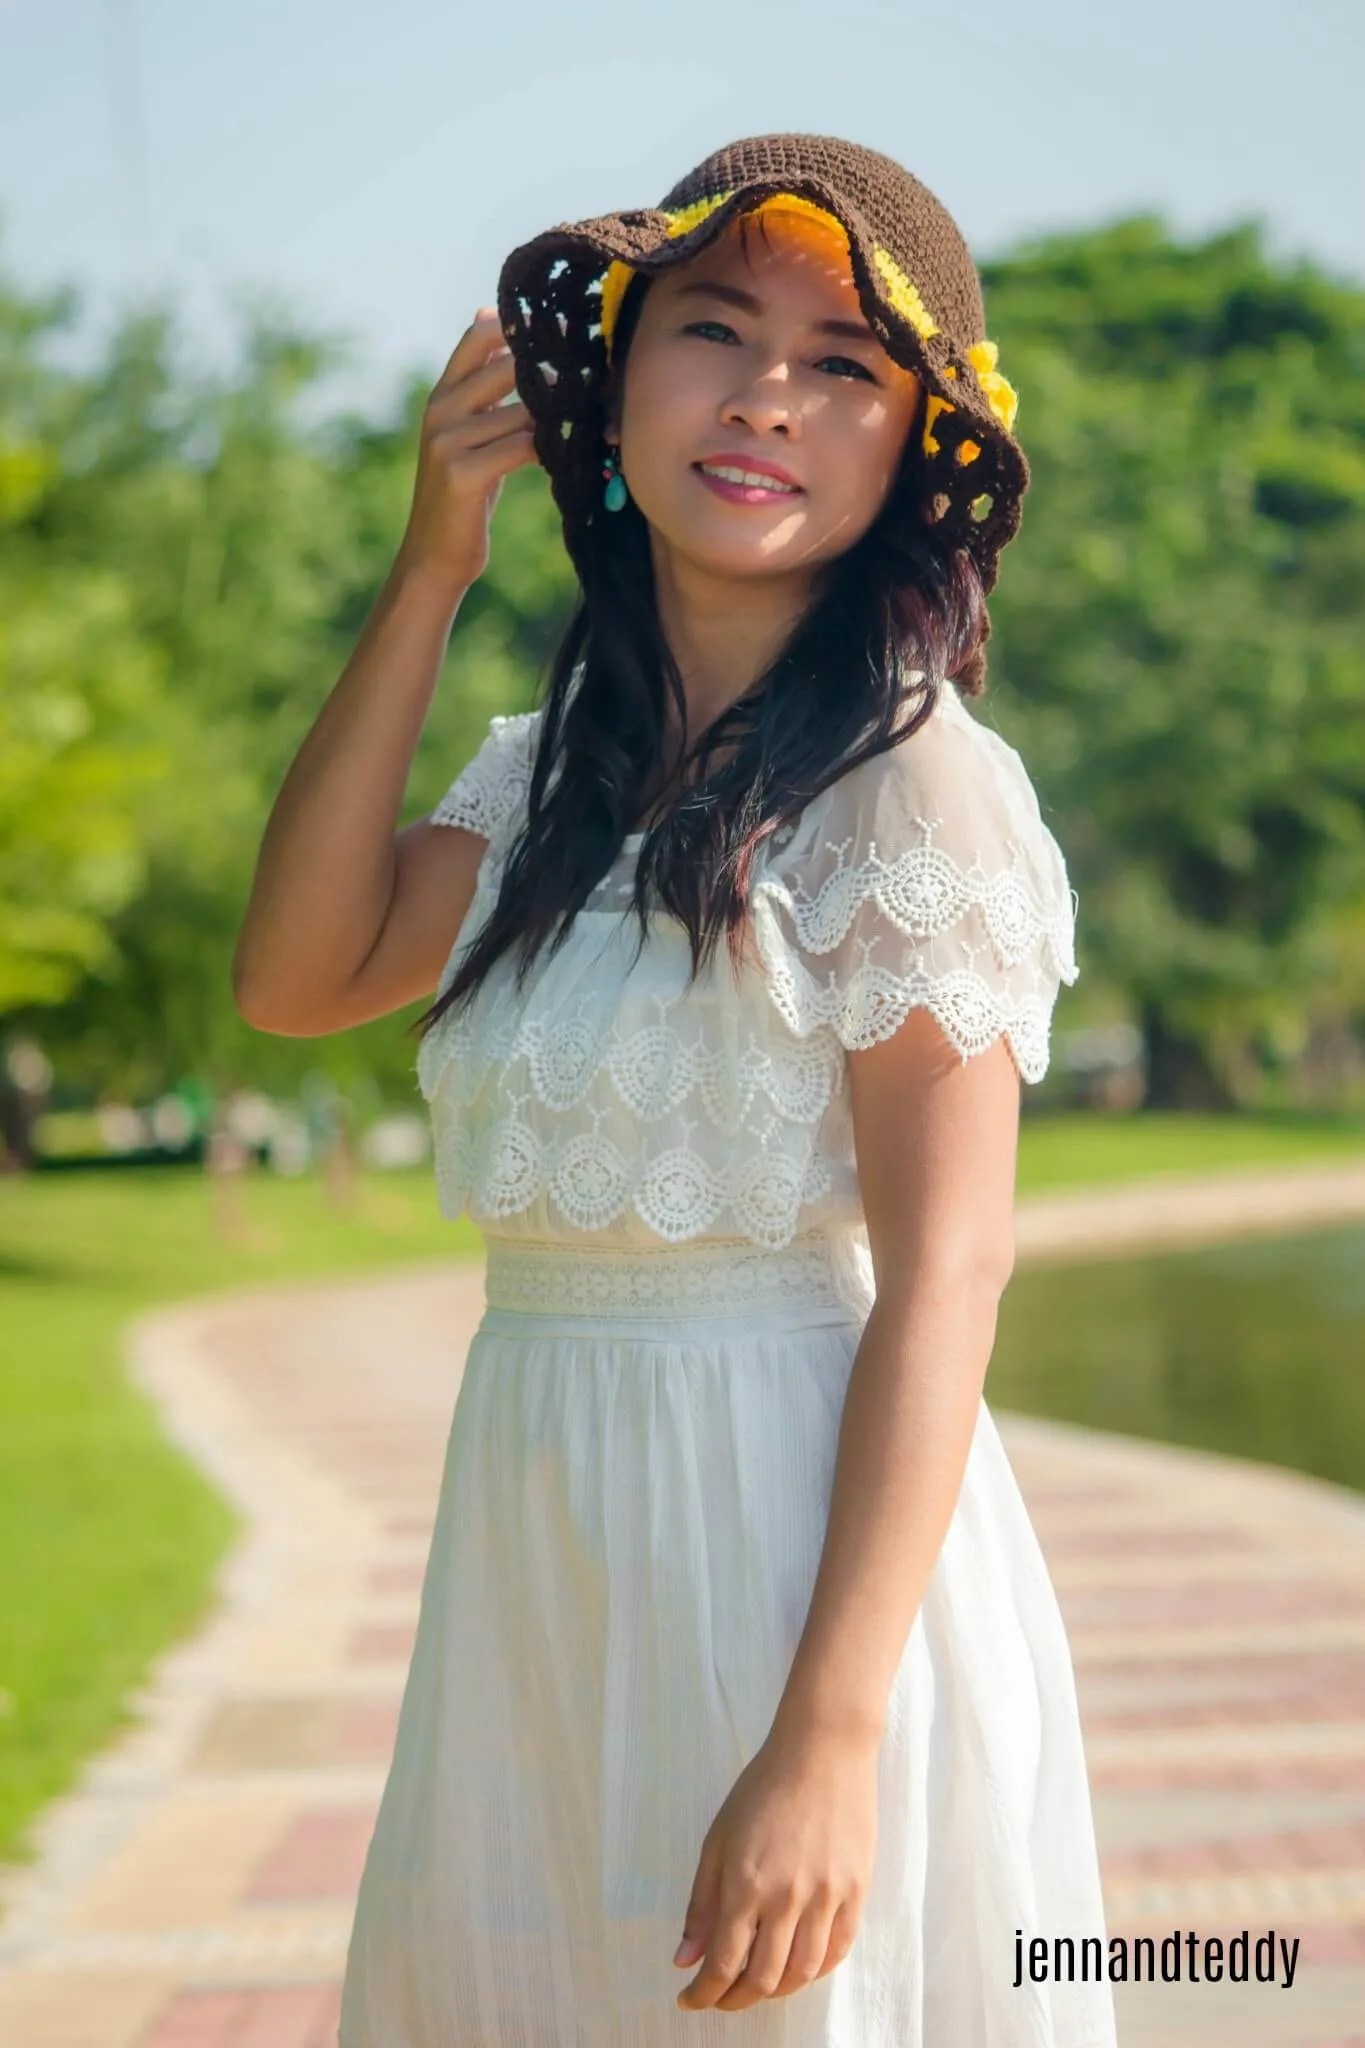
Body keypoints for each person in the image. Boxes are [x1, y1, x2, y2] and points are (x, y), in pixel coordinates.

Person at [233, 132, 1117, 2047]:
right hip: (541, 1559)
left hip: (787, 1559)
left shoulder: (916, 788)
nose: (763, 400)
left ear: (907, 453)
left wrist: (830, 1738)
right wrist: (424, 577)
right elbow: (296, 978)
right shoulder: (554, 771)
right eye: (714, 331)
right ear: (619, 383)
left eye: (842, 368)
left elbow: (949, 1278)